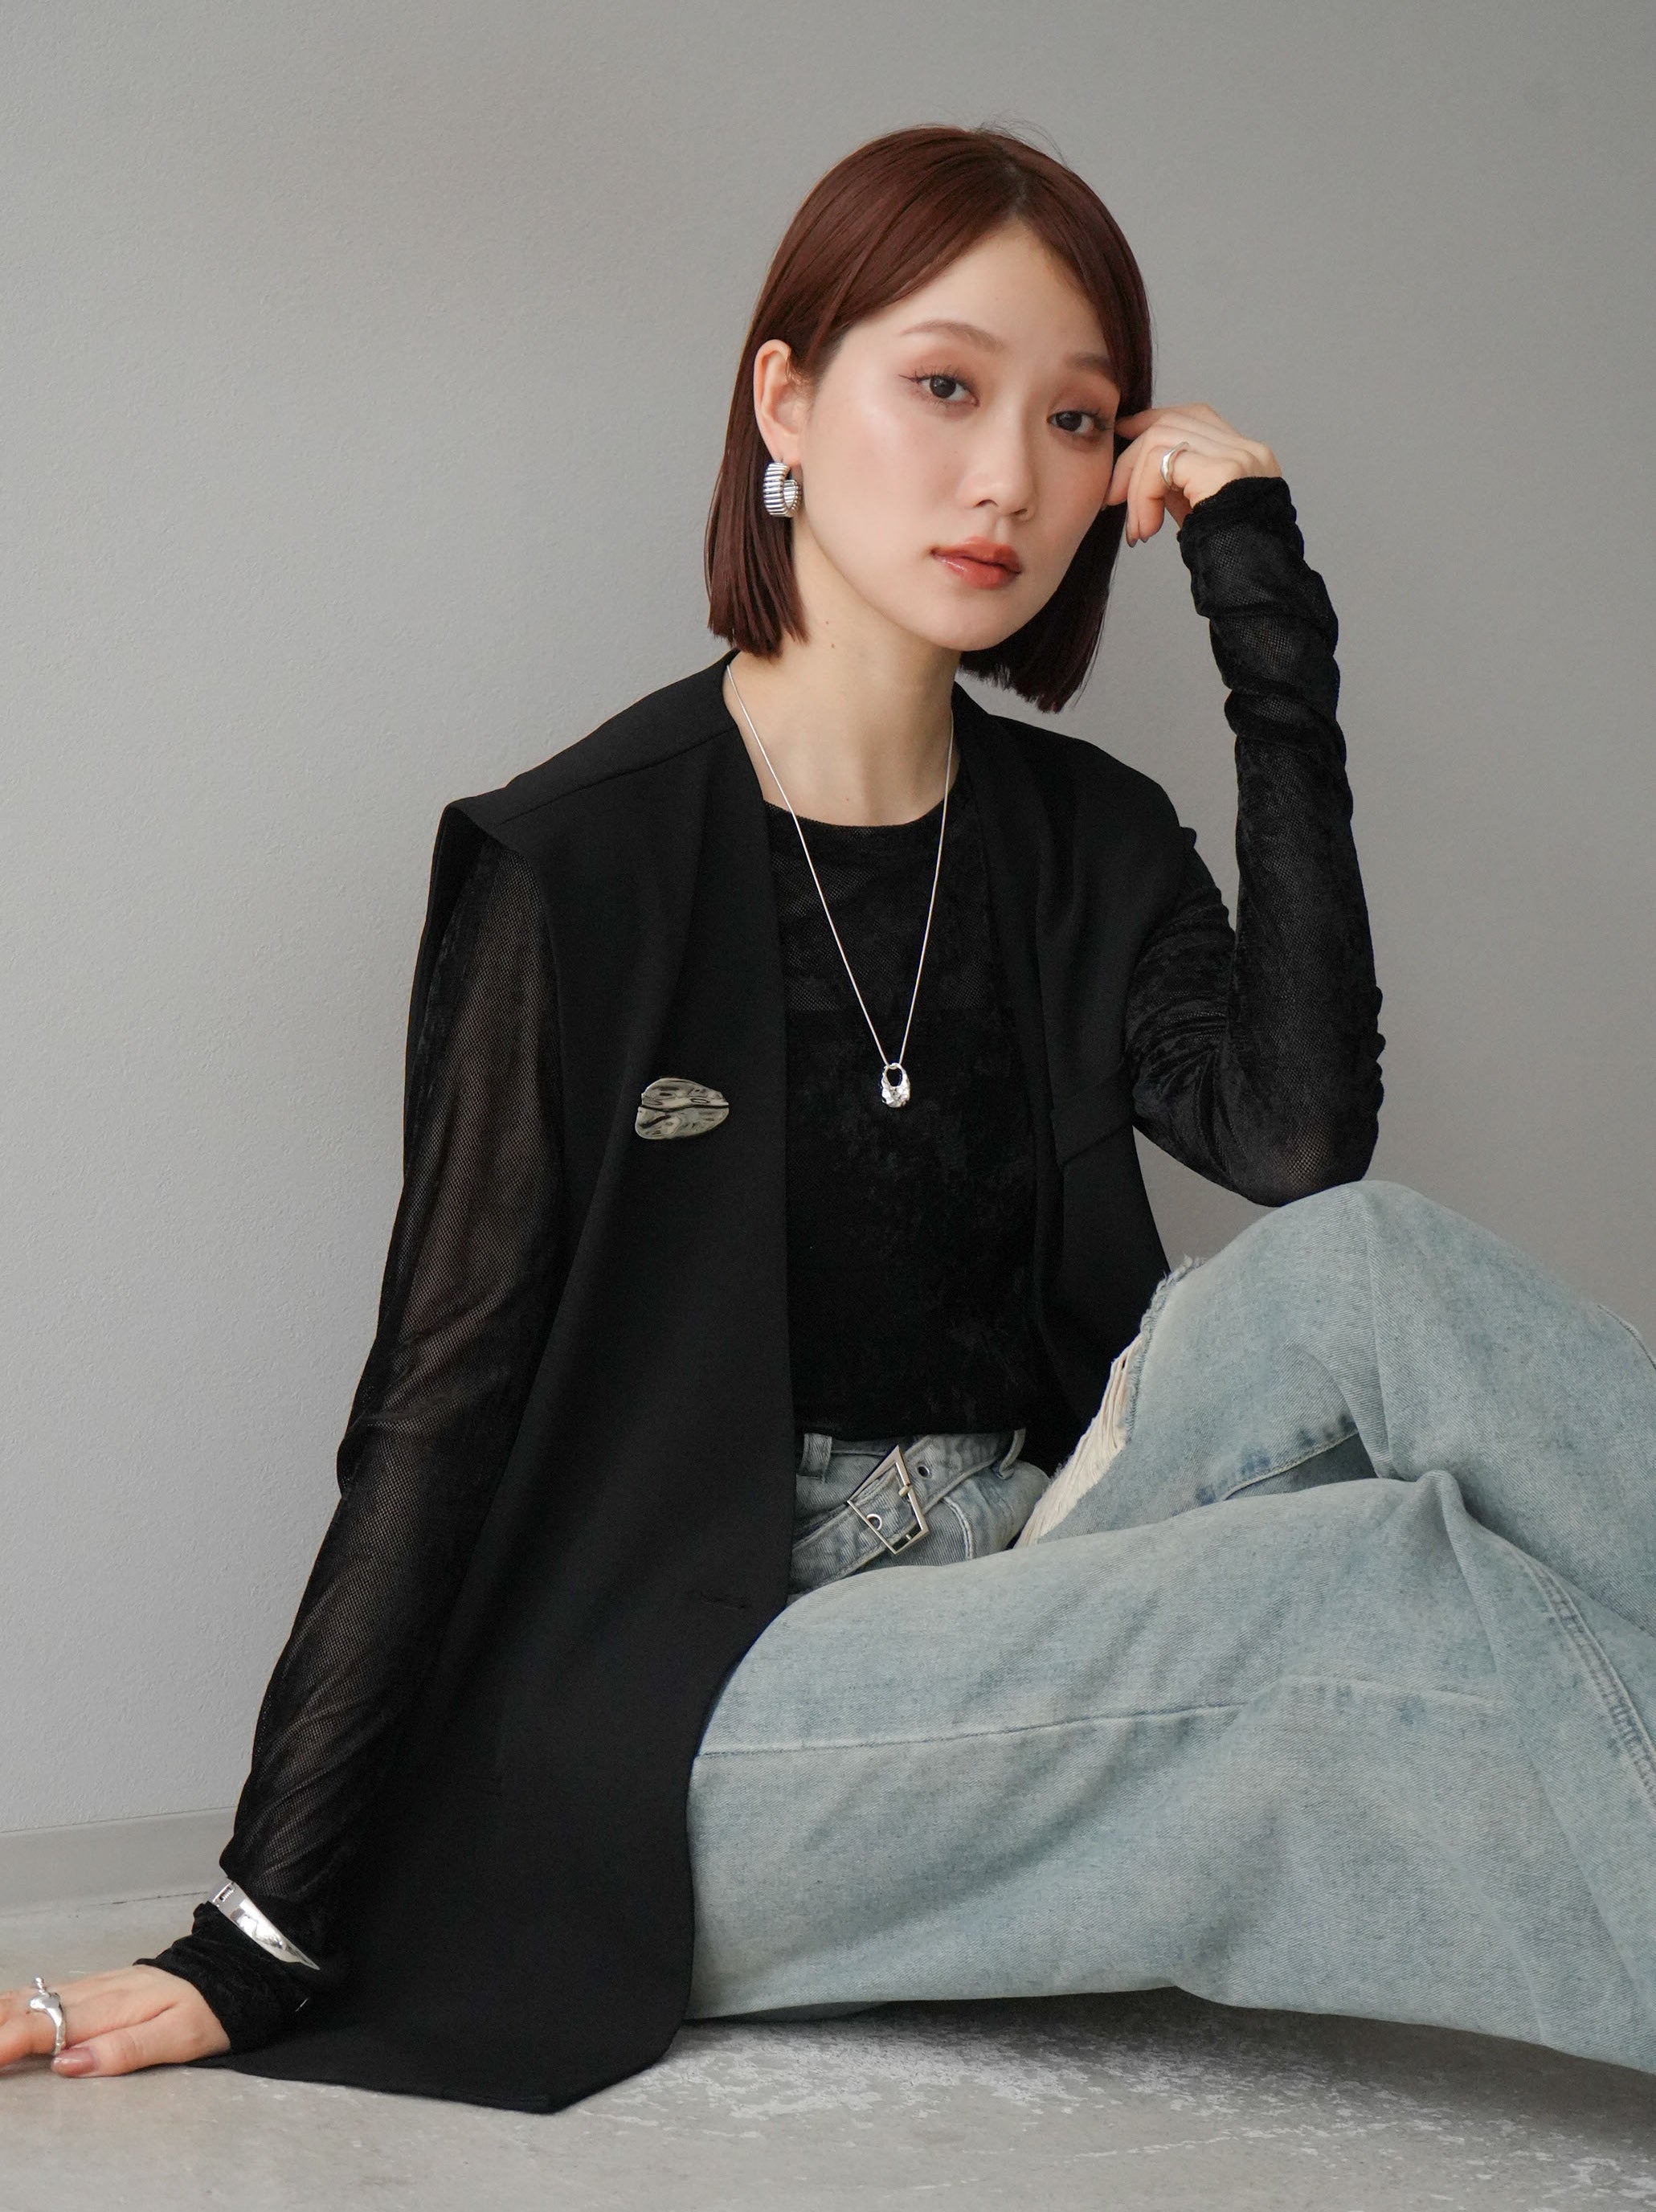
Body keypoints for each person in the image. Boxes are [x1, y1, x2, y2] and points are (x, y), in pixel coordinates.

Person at [11, 118, 1644, 2110]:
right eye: (943, 387)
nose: (1007, 477)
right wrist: (258, 1932)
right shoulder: (575, 865)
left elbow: (1298, 1151)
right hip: (702, 1698)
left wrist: (1259, 612)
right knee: (1355, 1584)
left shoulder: (1079, 837)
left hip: (1026, 1553)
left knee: (1365, 1270)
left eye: (1073, 421)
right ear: (783, 400)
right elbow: (437, 1404)